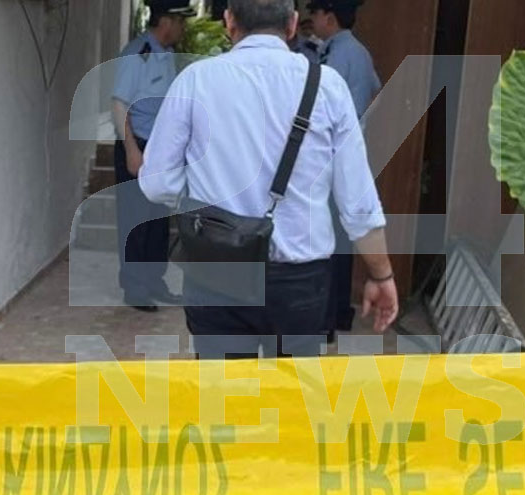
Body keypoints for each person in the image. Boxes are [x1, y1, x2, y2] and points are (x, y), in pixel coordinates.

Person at [138, 0, 398, 358]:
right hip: (299, 280)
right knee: (292, 391)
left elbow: (156, 184)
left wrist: (203, 196)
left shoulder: (196, 80)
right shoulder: (327, 86)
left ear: (229, 23)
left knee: (223, 390)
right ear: (292, 25)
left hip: (216, 270)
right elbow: (358, 203)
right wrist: (381, 275)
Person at [111, 0, 195, 312]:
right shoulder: (138, 54)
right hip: (138, 145)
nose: (183, 28)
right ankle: (134, 287)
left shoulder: (166, 54)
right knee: (135, 219)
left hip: (160, 149)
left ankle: (154, 281)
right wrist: (132, 150)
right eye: (180, 22)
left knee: (157, 220)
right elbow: (119, 105)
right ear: (166, 22)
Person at [308, 0, 381, 335]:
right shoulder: (358, 52)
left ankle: (326, 319)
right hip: (345, 155)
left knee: (328, 243)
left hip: (332, 157)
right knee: (340, 239)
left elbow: (320, 106)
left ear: (329, 17)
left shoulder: (338, 56)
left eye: (315, 14)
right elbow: (376, 89)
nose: (312, 20)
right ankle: (337, 313)